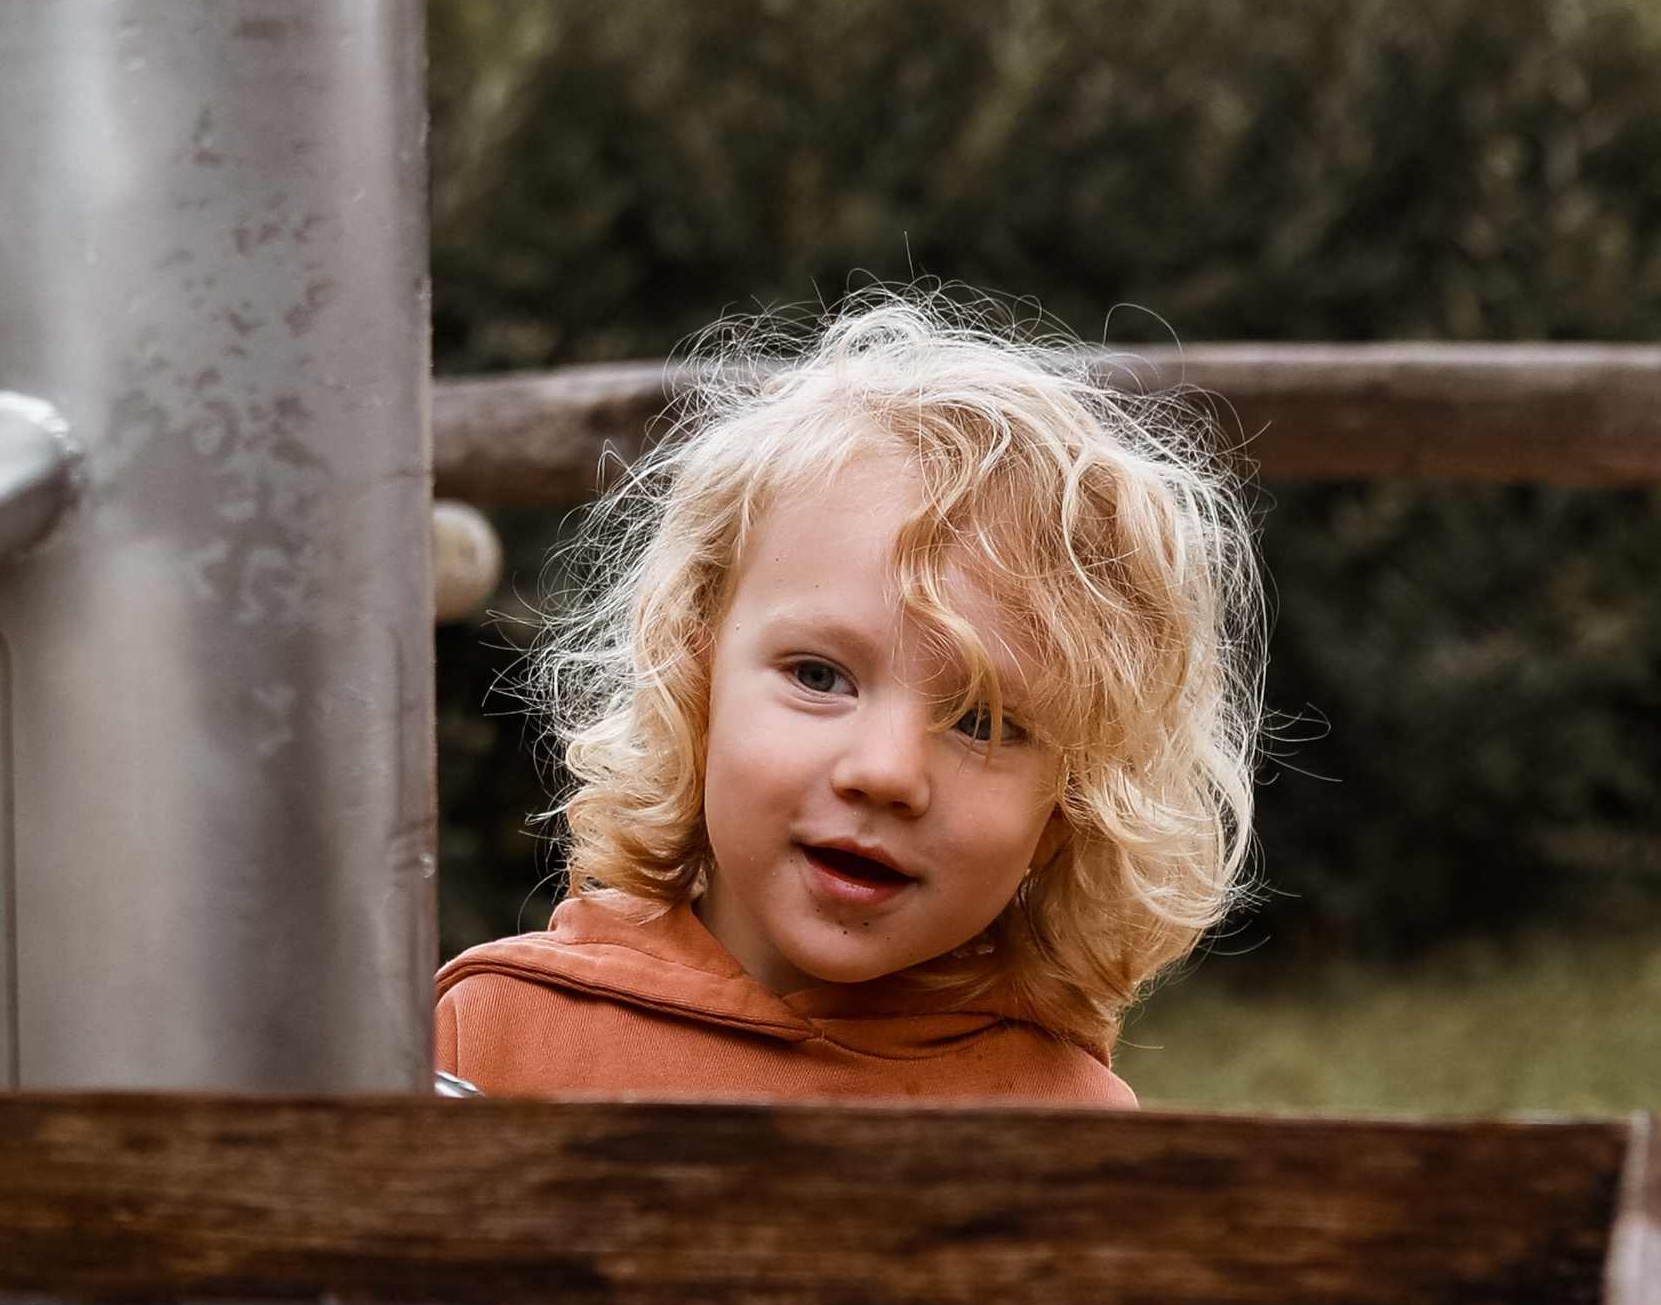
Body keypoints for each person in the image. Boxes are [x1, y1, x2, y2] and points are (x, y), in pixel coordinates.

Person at [435, 294, 1265, 1107]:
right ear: (697, 679)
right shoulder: (489, 1039)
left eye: (982, 721)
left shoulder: (1068, 1124)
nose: (886, 772)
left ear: (1066, 808)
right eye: (820, 675)